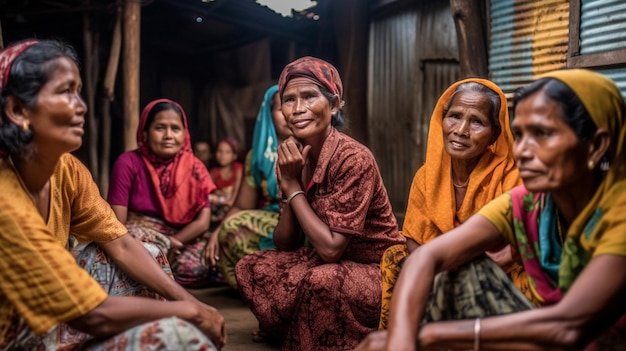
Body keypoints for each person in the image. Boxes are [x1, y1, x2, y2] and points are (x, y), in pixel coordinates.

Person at [356, 69, 626, 351]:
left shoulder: (619, 213)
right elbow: (426, 255)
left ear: (596, 146)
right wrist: (401, 339)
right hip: (545, 330)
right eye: (520, 135)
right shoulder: (529, 203)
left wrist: (428, 335)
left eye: (543, 134)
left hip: (595, 339)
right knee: (447, 272)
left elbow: (568, 327)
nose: (522, 150)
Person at [0, 39, 225, 350]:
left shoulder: (68, 170)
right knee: (176, 336)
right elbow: (92, 315)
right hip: (16, 332)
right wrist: (189, 312)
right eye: (66, 91)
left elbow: (119, 241)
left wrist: (195, 304)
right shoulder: (4, 199)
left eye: (79, 92)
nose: (81, 106)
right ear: (16, 109)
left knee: (146, 252)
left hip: (64, 304)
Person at [235, 56, 405, 351]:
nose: (297, 108)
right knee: (252, 266)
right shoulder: (290, 156)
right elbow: (286, 244)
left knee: (321, 281)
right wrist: (290, 183)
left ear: (334, 104)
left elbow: (329, 249)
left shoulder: (353, 158)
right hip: (330, 263)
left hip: (375, 268)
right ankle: (305, 324)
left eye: (309, 96)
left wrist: (291, 187)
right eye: (289, 100)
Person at [378, 78, 527, 329]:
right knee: (394, 257)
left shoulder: (512, 178)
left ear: (495, 134)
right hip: (437, 265)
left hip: (494, 270)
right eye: (455, 116)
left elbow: (516, 247)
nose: (461, 130)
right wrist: (440, 268)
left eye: (477, 122)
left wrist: (460, 268)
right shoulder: (427, 176)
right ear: (442, 119)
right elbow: (414, 240)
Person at [108, 98, 218, 288]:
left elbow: (203, 222)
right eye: (160, 128)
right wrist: (157, 241)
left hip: (180, 238)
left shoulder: (195, 168)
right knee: (141, 252)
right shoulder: (128, 163)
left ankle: (153, 275)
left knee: (197, 268)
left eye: (175, 129)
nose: (168, 135)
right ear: (145, 132)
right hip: (139, 235)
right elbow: (118, 224)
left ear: (184, 134)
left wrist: (172, 241)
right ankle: (155, 274)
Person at [203, 84, 292, 289]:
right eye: (281, 108)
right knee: (231, 231)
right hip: (274, 218)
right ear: (269, 114)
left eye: (295, 105)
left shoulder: (313, 147)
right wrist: (218, 232)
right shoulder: (257, 155)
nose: (290, 113)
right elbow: (243, 205)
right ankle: (260, 290)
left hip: (309, 222)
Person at [209, 137, 243, 224]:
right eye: (220, 151)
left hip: (234, 202)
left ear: (234, 155)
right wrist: (219, 194)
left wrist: (231, 202)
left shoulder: (238, 169)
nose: (222, 155)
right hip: (221, 202)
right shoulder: (214, 172)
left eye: (227, 152)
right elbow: (209, 189)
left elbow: (237, 189)